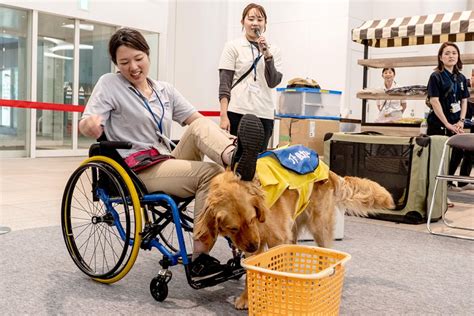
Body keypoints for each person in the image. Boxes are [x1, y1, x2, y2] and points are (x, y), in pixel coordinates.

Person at [79, 28, 265, 278]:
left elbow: (195, 120)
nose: (133, 67)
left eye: (138, 59)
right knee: (210, 174)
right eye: (124, 62)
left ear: (148, 54)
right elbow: (87, 122)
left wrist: (225, 139)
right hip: (137, 168)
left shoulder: (163, 90)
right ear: (116, 64)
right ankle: (200, 258)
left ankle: (235, 158)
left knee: (199, 126)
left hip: (166, 158)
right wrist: (89, 125)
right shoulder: (110, 84)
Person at [218, 2, 283, 151]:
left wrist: (267, 54)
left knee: (258, 162)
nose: (255, 23)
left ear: (265, 24)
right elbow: (224, 84)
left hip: (263, 113)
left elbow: (273, 82)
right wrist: (223, 116)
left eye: (260, 20)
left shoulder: (274, 50)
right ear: (243, 22)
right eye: (251, 19)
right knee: (233, 159)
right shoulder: (232, 46)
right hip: (237, 111)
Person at [426, 42, 470, 191]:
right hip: (438, 124)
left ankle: (448, 184)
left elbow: (464, 101)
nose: (451, 56)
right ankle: (436, 193)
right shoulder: (436, 76)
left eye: (454, 53)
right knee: (438, 158)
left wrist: (461, 121)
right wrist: (446, 123)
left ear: (458, 56)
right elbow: (434, 101)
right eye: (447, 53)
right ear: (440, 57)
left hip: (455, 123)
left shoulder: (461, 78)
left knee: (458, 151)